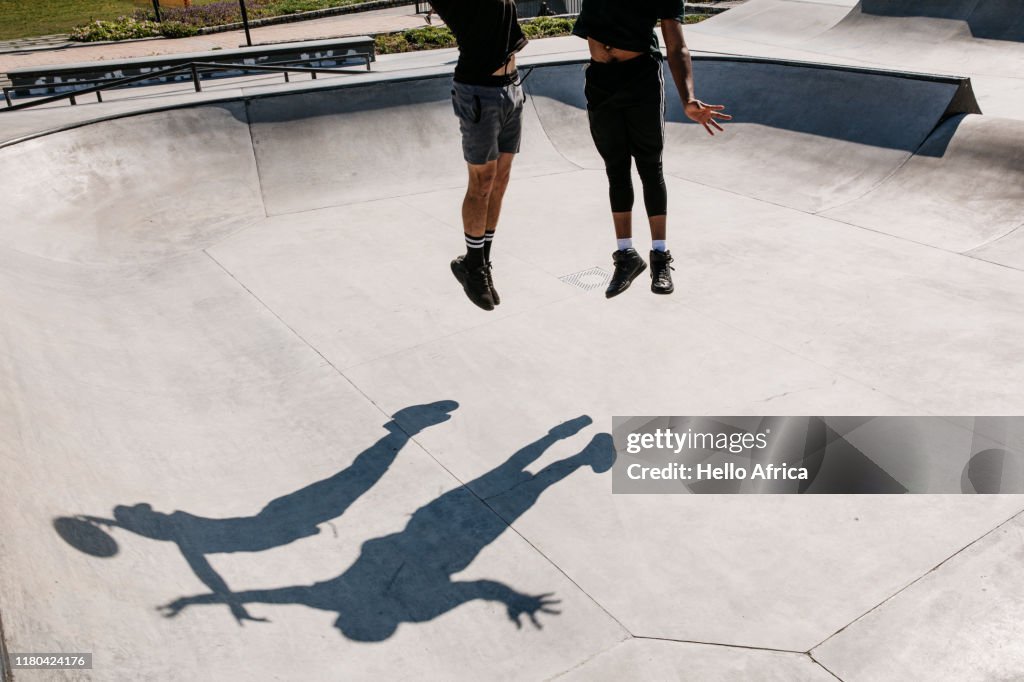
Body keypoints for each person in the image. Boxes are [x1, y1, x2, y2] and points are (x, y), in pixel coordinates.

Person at [573, 2, 731, 297]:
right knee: (615, 169)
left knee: (649, 167)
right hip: (600, 79)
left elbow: (676, 44)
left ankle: (660, 256)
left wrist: (688, 97)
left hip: (640, 80)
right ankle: (626, 256)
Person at [429, 0, 530, 311]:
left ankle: (479, 263)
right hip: (478, 92)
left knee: (500, 180)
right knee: (482, 181)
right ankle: (473, 269)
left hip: (511, 87)